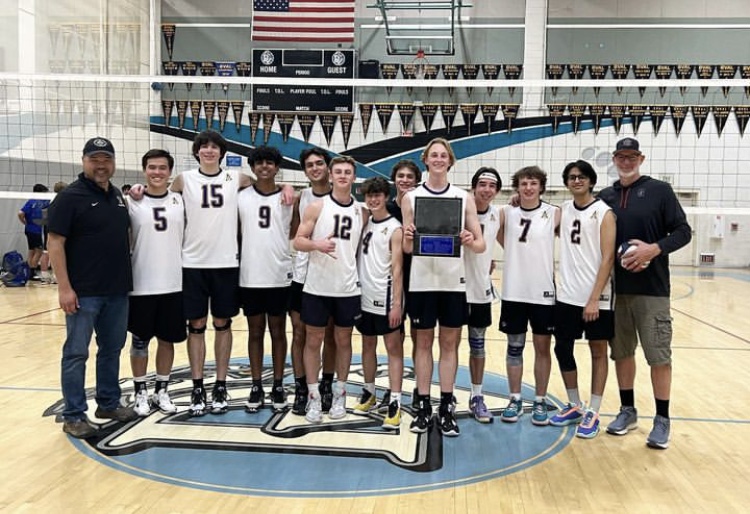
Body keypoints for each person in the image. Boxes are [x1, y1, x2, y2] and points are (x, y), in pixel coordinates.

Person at [599, 138, 692, 449]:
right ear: (614, 159)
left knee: (658, 356)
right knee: (622, 353)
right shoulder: (606, 196)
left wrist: (654, 249)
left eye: (632, 156)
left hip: (652, 291)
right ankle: (628, 411)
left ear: (641, 158)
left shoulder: (659, 191)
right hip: (616, 291)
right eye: (621, 156)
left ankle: (662, 418)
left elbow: (683, 231)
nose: (627, 161)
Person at [47, 137, 137, 438]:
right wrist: (64, 288)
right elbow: (55, 243)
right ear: (83, 161)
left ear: (113, 162)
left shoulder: (117, 196)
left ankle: (108, 402)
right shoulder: (69, 197)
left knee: (111, 349)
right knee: (76, 353)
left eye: (106, 159)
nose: (101, 165)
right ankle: (74, 414)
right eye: (94, 159)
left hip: (117, 290)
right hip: (84, 292)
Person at [402, 137, 485, 436]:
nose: (438, 159)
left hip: (452, 283)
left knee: (449, 345)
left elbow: (480, 244)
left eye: (443, 155)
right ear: (426, 160)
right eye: (433, 155)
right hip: (422, 281)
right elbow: (407, 248)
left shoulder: (464, 198)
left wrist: (468, 240)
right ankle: (423, 405)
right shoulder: (410, 198)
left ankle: (446, 405)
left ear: (450, 160)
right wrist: (409, 236)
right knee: (422, 344)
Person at [293, 155, 366, 423]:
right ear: (331, 176)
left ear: (354, 177)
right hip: (317, 287)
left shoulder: (361, 211)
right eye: (339, 171)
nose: (343, 176)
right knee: (313, 341)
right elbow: (298, 241)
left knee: (343, 341)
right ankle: (313, 398)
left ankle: (339, 394)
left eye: (348, 171)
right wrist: (317, 245)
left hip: (347, 288)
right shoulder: (316, 206)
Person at [548, 160, 615, 439]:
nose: (577, 181)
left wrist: (594, 299)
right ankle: (575, 405)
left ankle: (594, 410)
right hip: (567, 297)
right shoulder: (562, 210)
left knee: (598, 351)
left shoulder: (603, 212)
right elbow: (535, 220)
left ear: (590, 181)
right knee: (562, 349)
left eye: (582, 177)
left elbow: (608, 258)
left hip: (596, 298)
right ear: (567, 182)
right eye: (572, 177)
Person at [498, 166, 560, 426]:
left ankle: (540, 399)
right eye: (523, 183)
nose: (528, 188)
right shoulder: (506, 212)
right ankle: (514, 398)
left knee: (542, 348)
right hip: (514, 290)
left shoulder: (555, 213)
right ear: (517, 187)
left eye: (533, 183)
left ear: (541, 186)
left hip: (543, 292)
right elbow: (496, 234)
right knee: (515, 347)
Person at [128, 149, 186, 417]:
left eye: (162, 168)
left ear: (169, 171)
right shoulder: (131, 201)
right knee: (139, 342)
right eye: (152, 167)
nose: (157, 172)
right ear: (144, 170)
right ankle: (140, 391)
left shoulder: (179, 200)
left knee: (167, 341)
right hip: (141, 284)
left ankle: (161, 389)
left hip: (173, 284)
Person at [239, 145, 293, 413]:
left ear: (276, 167)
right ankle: (256, 384)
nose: (264, 167)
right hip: (250, 275)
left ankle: (279, 384)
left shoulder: (288, 198)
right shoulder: (241, 197)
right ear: (252, 167)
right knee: (255, 332)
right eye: (259, 162)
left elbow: (294, 232)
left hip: (278, 275)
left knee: (278, 332)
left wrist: (288, 188)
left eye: (269, 162)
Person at [288, 148, 338, 415]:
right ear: (305, 170)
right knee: (300, 333)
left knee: (329, 334)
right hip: (302, 275)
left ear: (328, 167)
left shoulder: (342, 196)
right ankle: (301, 388)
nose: (315, 168)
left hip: (330, 275)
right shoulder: (302, 198)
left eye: (320, 163)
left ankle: (327, 385)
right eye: (310, 165)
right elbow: (296, 235)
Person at [352, 177, 404, 429]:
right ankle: (369, 391)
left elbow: (398, 269)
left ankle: (395, 400)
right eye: (369, 195)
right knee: (367, 345)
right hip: (363, 296)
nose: (373, 199)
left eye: (378, 195)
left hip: (385, 298)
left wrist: (396, 305)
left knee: (393, 349)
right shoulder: (364, 222)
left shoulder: (395, 228)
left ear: (386, 197)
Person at [463, 167, 504, 423]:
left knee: (477, 346)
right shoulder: (458, 210)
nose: (486, 189)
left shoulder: (499, 215)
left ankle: (477, 395)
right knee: (449, 345)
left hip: (479, 291)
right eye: (482, 184)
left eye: (492, 185)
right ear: (473, 187)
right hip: (453, 290)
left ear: (497, 190)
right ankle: (447, 394)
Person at [382, 159, 421, 410]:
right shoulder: (384, 209)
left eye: (409, 176)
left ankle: (420, 387)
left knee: (420, 337)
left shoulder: (423, 204)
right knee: (394, 337)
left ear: (416, 180)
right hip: (391, 278)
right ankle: (393, 388)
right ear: (394, 179)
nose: (405, 180)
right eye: (401, 176)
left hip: (419, 277)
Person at [18, 183, 50, 280]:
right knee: (39, 251)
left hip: (28, 229)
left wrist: (25, 222)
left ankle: (28, 272)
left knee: (31, 250)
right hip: (36, 230)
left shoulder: (30, 201)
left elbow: (20, 213)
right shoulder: (43, 201)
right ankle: (32, 272)